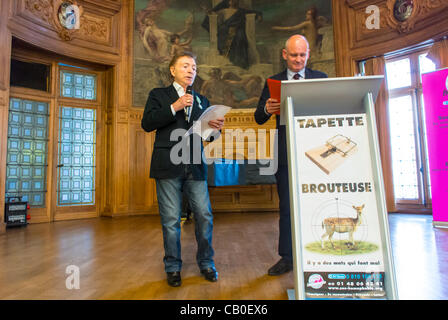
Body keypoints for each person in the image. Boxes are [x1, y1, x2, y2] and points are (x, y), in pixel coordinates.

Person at [141, 51, 225, 287]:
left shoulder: (202, 100)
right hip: (167, 164)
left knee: (204, 215)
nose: (191, 70)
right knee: (170, 220)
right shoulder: (158, 95)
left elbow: (208, 136)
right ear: (172, 70)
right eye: (186, 66)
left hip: (195, 165)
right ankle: (173, 267)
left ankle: (207, 263)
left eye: (194, 67)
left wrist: (215, 128)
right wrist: (175, 106)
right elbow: (147, 123)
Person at [254, 35, 327, 276]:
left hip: (317, 154)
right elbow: (259, 117)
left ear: (308, 55)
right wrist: (267, 108)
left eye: (302, 55)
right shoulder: (273, 81)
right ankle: (287, 257)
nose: (298, 59)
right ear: (285, 55)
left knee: (318, 204)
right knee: (286, 206)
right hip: (285, 154)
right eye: (294, 55)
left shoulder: (320, 79)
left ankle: (320, 252)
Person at [202, 0, 262, 69]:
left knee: (240, 36)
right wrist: (211, 13)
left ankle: (239, 62)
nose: (233, 2)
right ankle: (229, 59)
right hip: (225, 31)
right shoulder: (223, 10)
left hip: (237, 30)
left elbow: (254, 13)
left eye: (235, 1)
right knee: (230, 35)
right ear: (228, 2)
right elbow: (213, 17)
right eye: (231, 1)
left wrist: (259, 15)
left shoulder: (241, 11)